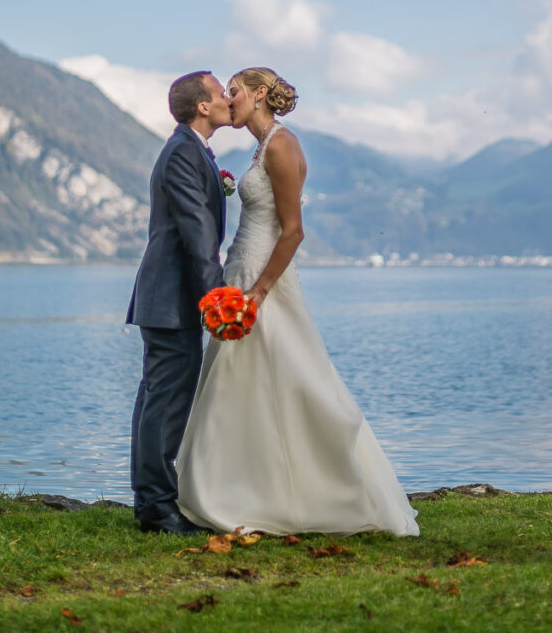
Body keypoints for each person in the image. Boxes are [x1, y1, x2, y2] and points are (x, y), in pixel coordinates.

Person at [176, 67, 419, 537]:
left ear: (260, 94)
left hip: (261, 281)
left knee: (287, 380)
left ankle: (304, 490)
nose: (229, 101)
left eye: (236, 93)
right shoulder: (260, 146)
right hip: (240, 273)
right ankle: (239, 487)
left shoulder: (283, 144)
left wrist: (260, 291)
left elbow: (293, 230)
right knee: (239, 386)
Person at [127, 70, 231, 534]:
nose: (229, 98)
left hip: (167, 296)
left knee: (157, 398)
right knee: (165, 401)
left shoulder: (189, 149)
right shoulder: (182, 153)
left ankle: (154, 500)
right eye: (221, 93)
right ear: (203, 107)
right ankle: (157, 508)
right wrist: (218, 298)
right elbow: (197, 230)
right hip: (171, 296)